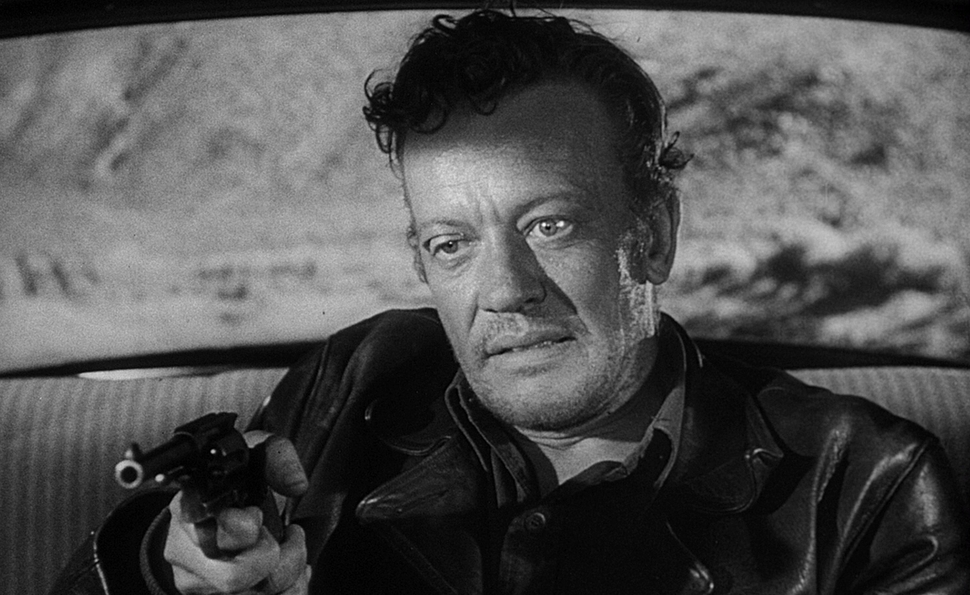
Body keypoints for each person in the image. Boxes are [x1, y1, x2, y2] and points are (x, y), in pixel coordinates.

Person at [53, 9, 968, 595]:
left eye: (549, 225)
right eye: (452, 244)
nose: (503, 291)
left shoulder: (864, 486)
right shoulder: (356, 380)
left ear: (652, 236)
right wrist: (166, 566)